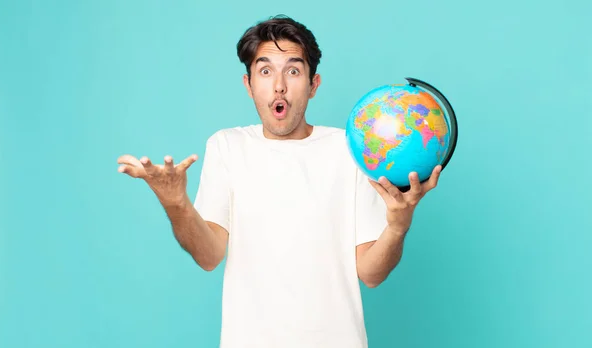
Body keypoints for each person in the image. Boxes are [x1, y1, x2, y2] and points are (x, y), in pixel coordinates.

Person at [117, 15, 441, 348]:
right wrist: (175, 203)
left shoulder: (350, 150)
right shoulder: (227, 146)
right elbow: (209, 255)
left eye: (294, 70)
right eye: (266, 70)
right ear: (248, 84)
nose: (279, 86)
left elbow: (372, 274)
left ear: (314, 85)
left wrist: (398, 227)